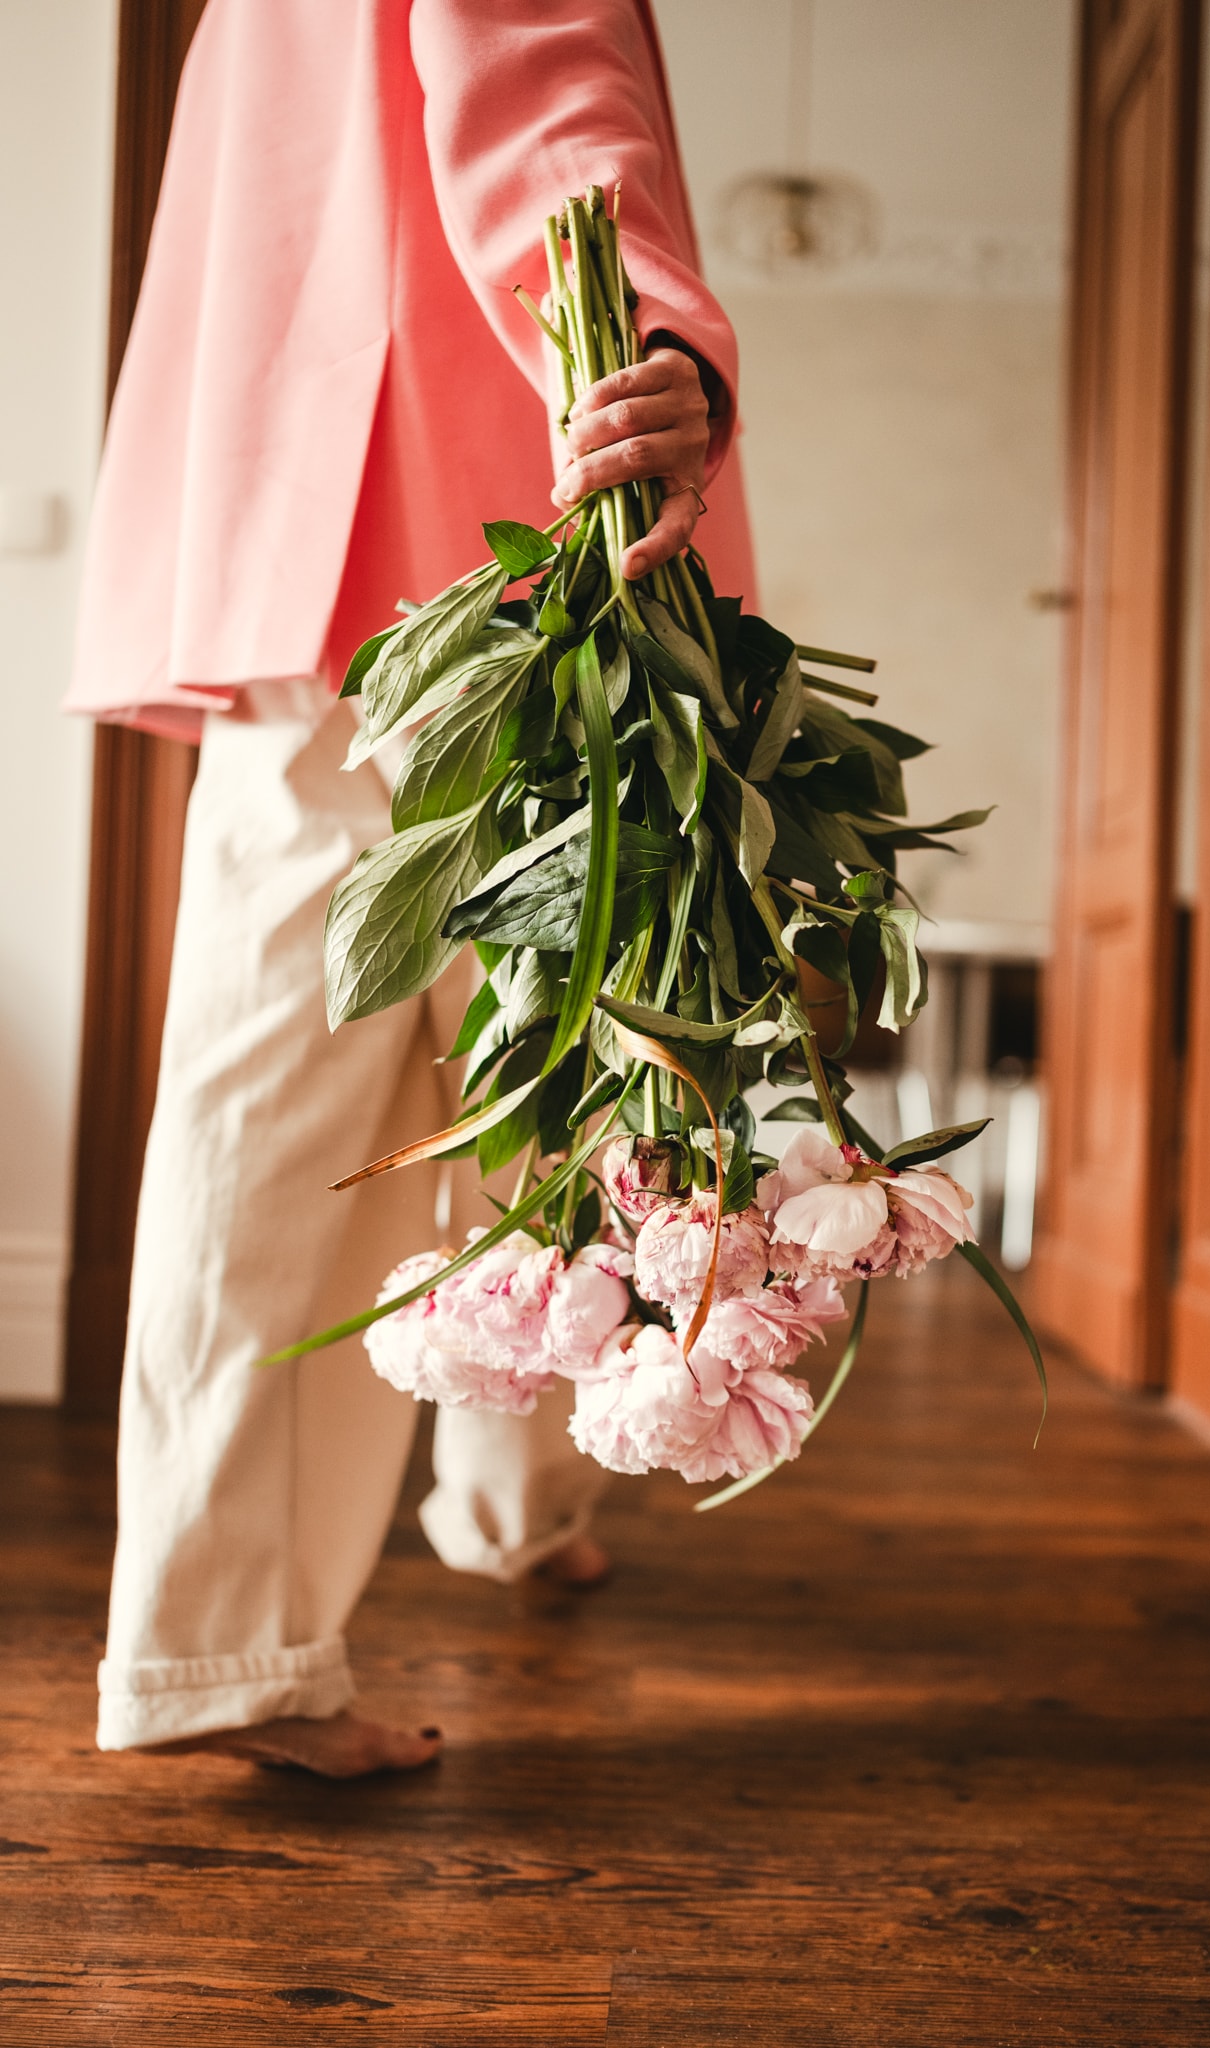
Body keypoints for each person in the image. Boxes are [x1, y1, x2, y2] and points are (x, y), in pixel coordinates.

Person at [65, 0, 755, 1778]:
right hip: (467, 512)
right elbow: (543, 91)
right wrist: (647, 339)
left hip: (309, 497)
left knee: (523, 1051)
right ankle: (225, 1647)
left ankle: (509, 1502)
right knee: (402, 1067)